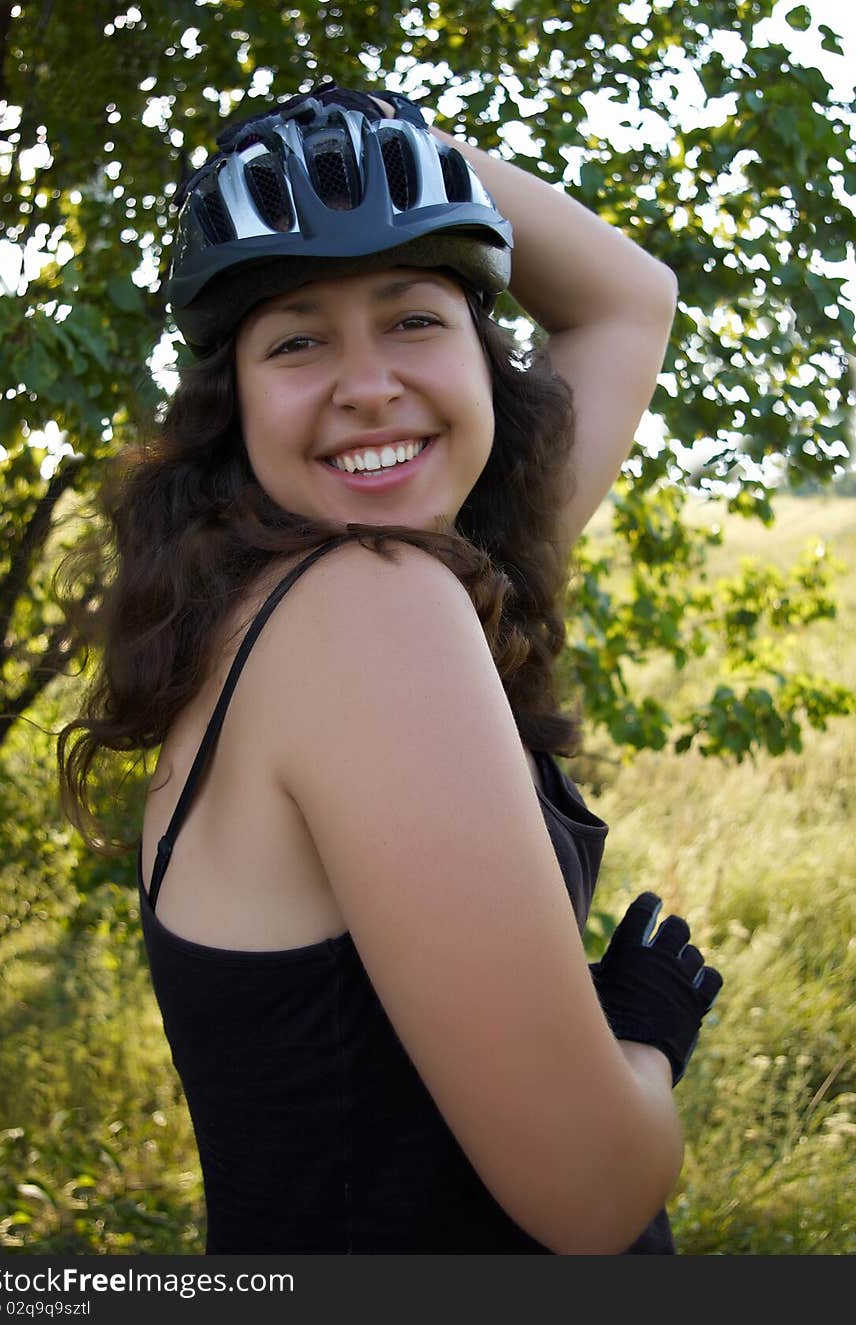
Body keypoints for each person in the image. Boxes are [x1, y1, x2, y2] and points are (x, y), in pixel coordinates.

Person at [57, 81, 722, 1255]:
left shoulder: (308, 597)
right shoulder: (371, 608)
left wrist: (380, 149)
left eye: (414, 317)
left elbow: (629, 299)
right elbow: (593, 1197)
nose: (367, 384)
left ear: (484, 359)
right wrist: (645, 1040)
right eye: (298, 338)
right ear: (236, 405)